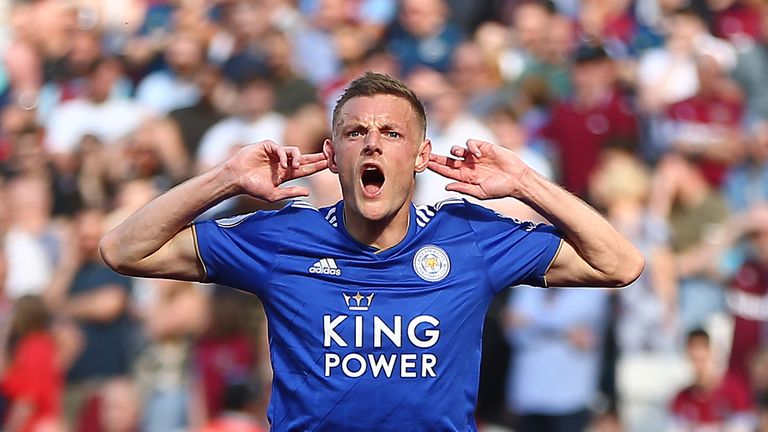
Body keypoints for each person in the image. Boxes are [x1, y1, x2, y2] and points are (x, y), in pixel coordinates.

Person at [100, 72, 644, 430]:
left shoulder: (468, 236)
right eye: (357, 132)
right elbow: (124, 250)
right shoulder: (284, 237)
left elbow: (621, 264)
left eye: (391, 132)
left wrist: (527, 183)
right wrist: (224, 178)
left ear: (420, 155)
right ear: (333, 155)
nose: (374, 143)